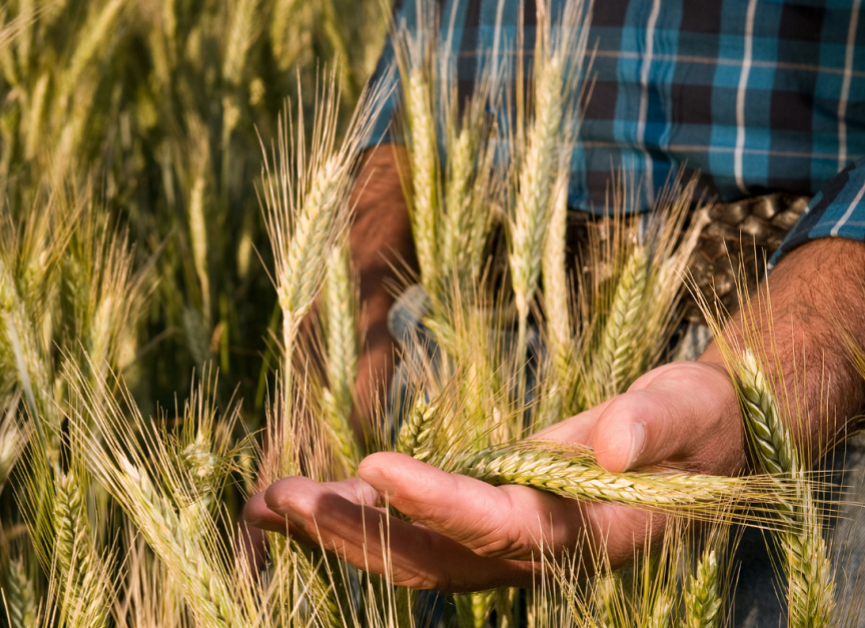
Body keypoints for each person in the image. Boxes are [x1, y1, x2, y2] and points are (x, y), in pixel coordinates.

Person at [245, 0, 865, 613]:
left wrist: (783, 367)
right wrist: (338, 345)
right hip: (454, 361)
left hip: (795, 377)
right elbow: (418, 60)